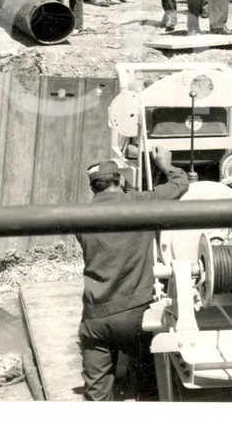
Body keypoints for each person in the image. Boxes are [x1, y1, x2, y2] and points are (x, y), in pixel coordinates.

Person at [77, 145, 189, 402]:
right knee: (148, 384)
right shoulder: (140, 203)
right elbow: (180, 185)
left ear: (92, 188)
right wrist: (165, 164)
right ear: (119, 179)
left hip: (95, 319)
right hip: (134, 316)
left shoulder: (80, 216)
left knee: (96, 394)